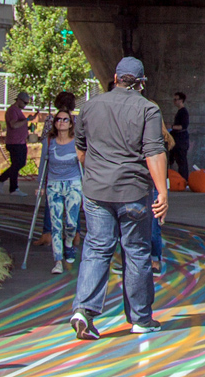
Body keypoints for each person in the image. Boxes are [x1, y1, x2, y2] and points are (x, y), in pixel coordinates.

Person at [69, 57, 170, 340]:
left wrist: (95, 176)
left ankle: (84, 310)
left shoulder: (89, 106)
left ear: (115, 77)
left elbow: (81, 150)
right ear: (141, 83)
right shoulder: (148, 109)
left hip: (96, 191)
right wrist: (162, 192)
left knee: (97, 248)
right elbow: (153, 151)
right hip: (133, 192)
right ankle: (140, 318)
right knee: (136, 251)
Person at [42, 93, 85, 274]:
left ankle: (69, 242)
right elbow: (43, 163)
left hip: (73, 183)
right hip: (54, 184)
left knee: (71, 222)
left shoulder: (77, 140)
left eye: (65, 120)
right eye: (58, 120)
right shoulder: (49, 140)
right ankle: (58, 260)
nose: (61, 122)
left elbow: (83, 160)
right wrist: (41, 185)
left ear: (70, 122)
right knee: (56, 223)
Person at [0, 92, 33, 196]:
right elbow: (14, 125)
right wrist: (26, 120)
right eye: (25, 103)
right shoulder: (12, 110)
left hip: (20, 142)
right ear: (19, 100)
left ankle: (9, 184)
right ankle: (7, 183)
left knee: (19, 164)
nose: (25, 105)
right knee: (17, 163)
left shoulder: (18, 111)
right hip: (14, 142)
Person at [169, 92, 191, 177]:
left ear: (181, 100)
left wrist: (171, 127)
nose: (174, 101)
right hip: (177, 138)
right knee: (174, 158)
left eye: (176, 99)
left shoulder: (183, 112)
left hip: (181, 140)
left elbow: (183, 126)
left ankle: (184, 179)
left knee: (181, 160)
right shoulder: (180, 111)